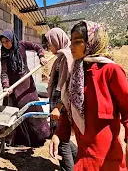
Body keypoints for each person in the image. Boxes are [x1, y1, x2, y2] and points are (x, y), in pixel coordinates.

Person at [49, 21, 128, 171]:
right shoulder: (76, 74)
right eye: (71, 42)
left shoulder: (110, 71)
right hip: (84, 158)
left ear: (92, 42)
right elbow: (68, 107)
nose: (72, 46)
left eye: (78, 42)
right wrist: (58, 135)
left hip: (108, 162)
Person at [0, 29, 50, 147]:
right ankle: (17, 141)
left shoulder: (22, 45)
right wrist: (6, 86)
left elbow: (37, 46)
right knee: (14, 113)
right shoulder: (4, 54)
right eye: (2, 42)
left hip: (26, 84)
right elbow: (4, 72)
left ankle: (39, 137)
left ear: (12, 39)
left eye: (7, 41)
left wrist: (41, 56)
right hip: (13, 87)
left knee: (31, 108)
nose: (5, 44)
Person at [44, 28, 77, 171]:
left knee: (61, 140)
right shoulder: (60, 57)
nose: (48, 47)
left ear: (57, 41)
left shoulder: (67, 57)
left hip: (62, 105)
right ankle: (79, 159)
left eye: (50, 44)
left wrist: (59, 106)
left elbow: (69, 87)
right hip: (58, 103)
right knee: (61, 137)